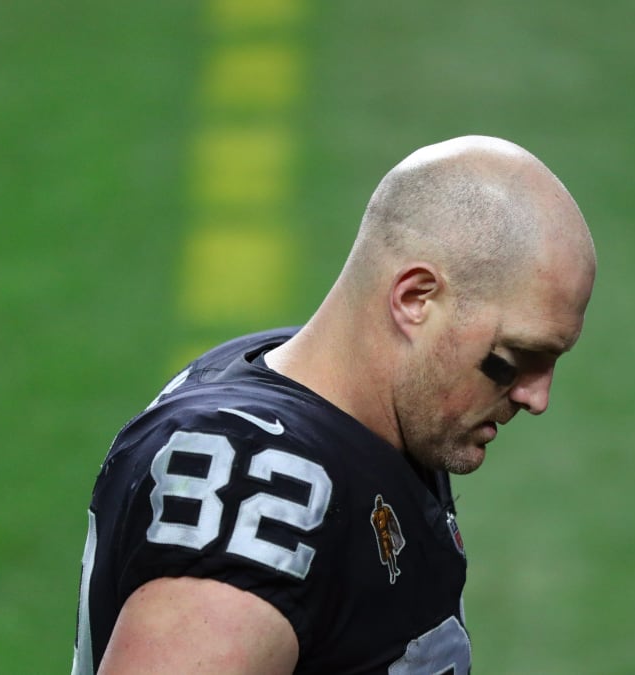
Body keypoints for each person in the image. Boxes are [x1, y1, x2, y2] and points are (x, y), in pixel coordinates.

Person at [71, 135, 597, 674]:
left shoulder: (366, 411)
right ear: (416, 298)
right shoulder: (255, 489)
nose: (536, 396)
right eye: (515, 356)